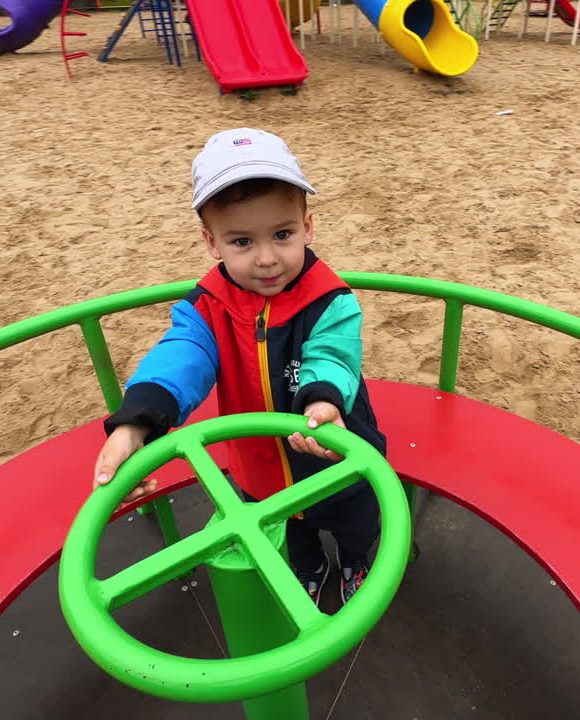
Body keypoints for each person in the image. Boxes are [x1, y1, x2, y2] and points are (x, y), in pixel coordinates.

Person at [92, 128, 387, 607]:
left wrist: (320, 400)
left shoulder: (330, 300)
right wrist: (136, 423)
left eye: (283, 235)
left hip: (334, 452)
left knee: (356, 520)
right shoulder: (208, 308)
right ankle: (309, 565)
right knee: (290, 532)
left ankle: (356, 560)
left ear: (307, 227)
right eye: (243, 241)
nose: (267, 258)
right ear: (212, 243)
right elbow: (182, 354)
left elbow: (332, 354)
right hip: (259, 464)